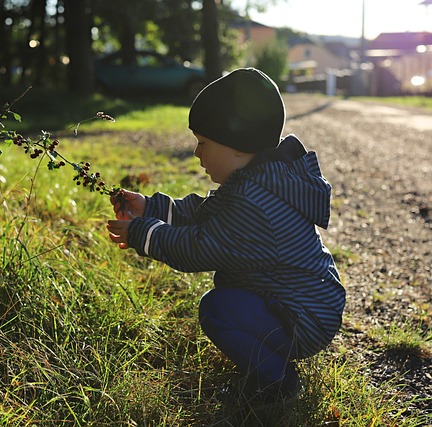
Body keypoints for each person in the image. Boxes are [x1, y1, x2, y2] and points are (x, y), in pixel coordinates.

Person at [106, 68, 346, 400]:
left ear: (237, 146)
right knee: (229, 294)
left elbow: (199, 247)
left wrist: (144, 234)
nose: (197, 153)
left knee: (218, 308)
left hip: (303, 317)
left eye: (203, 143)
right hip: (304, 306)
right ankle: (268, 359)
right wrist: (151, 207)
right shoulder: (257, 183)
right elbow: (203, 212)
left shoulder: (254, 204)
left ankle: (278, 382)